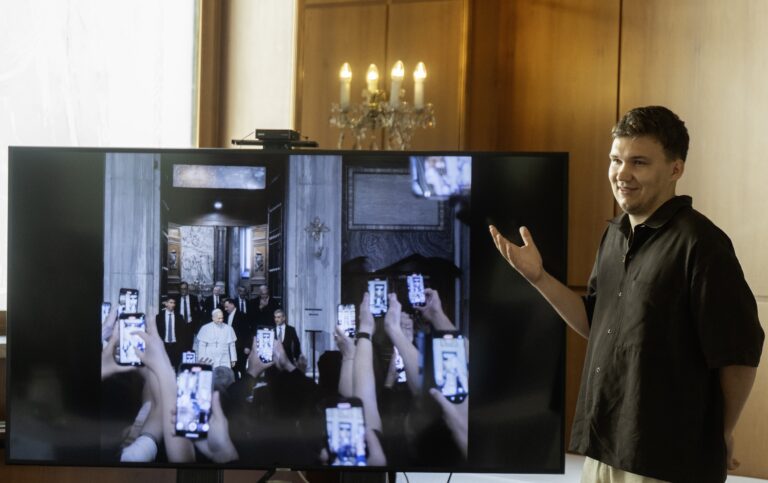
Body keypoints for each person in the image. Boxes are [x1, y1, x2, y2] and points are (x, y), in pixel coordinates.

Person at [490, 106, 764, 483]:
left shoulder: (702, 244)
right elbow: (594, 321)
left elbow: (741, 352)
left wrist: (721, 432)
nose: (622, 174)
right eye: (616, 160)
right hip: (603, 451)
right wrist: (539, 278)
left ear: (675, 169)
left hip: (668, 462)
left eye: (639, 162)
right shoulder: (616, 234)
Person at [156, 296, 193, 368]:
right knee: (164, 365)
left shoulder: (179, 316)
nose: (173, 305)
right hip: (164, 345)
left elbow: (183, 332)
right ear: (166, 304)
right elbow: (157, 331)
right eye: (171, 303)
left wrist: (182, 345)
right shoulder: (159, 317)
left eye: (174, 303)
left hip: (176, 345)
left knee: (176, 365)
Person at [223, 298, 253, 379]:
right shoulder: (226, 316)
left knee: (242, 369)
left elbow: (248, 332)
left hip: (241, 348)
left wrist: (247, 346)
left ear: (232, 305)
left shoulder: (242, 315)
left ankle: (244, 388)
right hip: (230, 348)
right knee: (233, 369)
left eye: (227, 307)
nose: (225, 309)